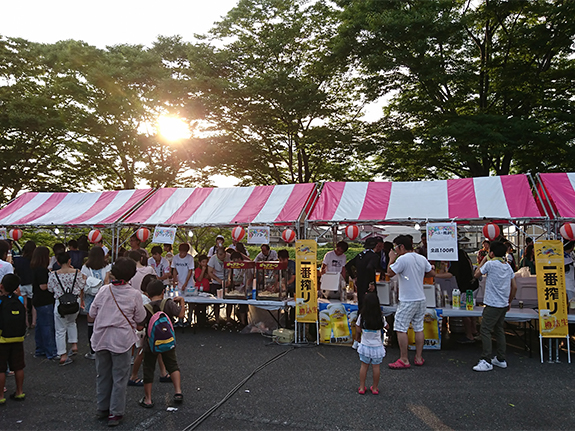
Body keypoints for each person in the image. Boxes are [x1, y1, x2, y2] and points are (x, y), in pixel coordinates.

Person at [90, 257, 146, 426]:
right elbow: (141, 318)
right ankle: (115, 413)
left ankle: (102, 408)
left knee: (103, 375)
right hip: (121, 340)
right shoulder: (135, 294)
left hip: (101, 338)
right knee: (119, 378)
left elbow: (92, 313)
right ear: (131, 276)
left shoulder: (104, 290)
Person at [387, 235, 435, 369]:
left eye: (396, 247)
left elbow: (390, 273)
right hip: (420, 297)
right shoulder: (421, 258)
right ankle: (418, 357)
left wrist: (391, 258)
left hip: (408, 299)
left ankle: (404, 358)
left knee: (400, 328)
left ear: (401, 246)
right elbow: (431, 273)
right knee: (418, 327)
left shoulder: (402, 259)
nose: (395, 250)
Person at [138, 279, 185, 408]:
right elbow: (181, 315)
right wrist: (181, 301)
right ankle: (178, 392)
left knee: (148, 369)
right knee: (172, 365)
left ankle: (148, 399)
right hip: (168, 341)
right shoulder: (168, 303)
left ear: (147, 294)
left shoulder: (145, 308)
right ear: (163, 292)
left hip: (151, 344)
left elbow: (139, 326)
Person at [472, 241, 517, 372]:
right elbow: (514, 286)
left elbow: (476, 274)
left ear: (491, 253)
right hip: (503, 304)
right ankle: (500, 359)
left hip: (492, 304)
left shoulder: (490, 264)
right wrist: (509, 301)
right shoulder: (507, 266)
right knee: (499, 330)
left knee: (485, 330)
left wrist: (485, 259)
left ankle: (486, 360)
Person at [47, 252, 86, 366]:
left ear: (58, 262)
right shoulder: (76, 273)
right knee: (72, 322)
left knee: (60, 329)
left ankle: (62, 354)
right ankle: (74, 344)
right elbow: (82, 285)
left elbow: (50, 289)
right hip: (75, 302)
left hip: (60, 303)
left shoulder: (53, 274)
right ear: (70, 261)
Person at [436, 248, 477, 343]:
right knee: (470, 310)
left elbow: (450, 274)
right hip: (471, 285)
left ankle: (469, 335)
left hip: (467, 287)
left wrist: (434, 275)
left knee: (465, 312)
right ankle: (473, 330)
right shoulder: (462, 253)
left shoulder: (457, 258)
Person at [81, 246, 111, 360]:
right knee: (103, 324)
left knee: (91, 325)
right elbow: (107, 282)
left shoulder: (85, 267)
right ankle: (104, 349)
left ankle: (93, 351)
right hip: (103, 296)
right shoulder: (106, 266)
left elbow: (83, 283)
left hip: (90, 297)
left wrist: (81, 298)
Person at [355, 292, 388, 395]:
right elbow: (387, 327)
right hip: (377, 347)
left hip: (365, 346)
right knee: (376, 367)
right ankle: (374, 388)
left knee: (364, 366)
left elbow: (357, 328)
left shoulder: (362, 316)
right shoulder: (380, 317)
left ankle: (361, 387)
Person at [0, 273, 26, 403]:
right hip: (18, 337)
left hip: (2, 338)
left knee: (1, 368)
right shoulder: (19, 300)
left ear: (1, 286)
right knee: (18, 366)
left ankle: (0, 396)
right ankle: (19, 391)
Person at [30, 246, 58, 360]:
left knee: (40, 326)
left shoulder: (34, 268)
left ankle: (40, 349)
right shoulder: (42, 270)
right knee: (48, 326)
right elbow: (43, 286)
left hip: (37, 300)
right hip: (45, 300)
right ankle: (51, 352)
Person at [345, 238, 380, 310]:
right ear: (376, 245)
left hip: (360, 282)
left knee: (361, 304)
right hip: (369, 284)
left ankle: (360, 320)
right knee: (371, 306)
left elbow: (348, 265)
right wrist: (372, 282)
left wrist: (353, 277)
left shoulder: (360, 255)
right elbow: (370, 267)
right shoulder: (374, 256)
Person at [13, 240, 36, 328]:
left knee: (24, 304)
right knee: (34, 304)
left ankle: (26, 322)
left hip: (21, 283)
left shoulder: (18, 260)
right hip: (31, 284)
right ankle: (34, 322)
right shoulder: (34, 261)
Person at [208, 247, 229, 326]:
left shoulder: (229, 257)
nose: (222, 257)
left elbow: (231, 269)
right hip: (216, 281)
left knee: (229, 301)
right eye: (220, 255)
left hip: (226, 280)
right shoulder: (213, 259)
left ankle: (228, 319)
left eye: (224, 255)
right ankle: (217, 320)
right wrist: (218, 279)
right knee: (216, 301)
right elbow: (209, 272)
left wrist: (229, 280)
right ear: (217, 254)